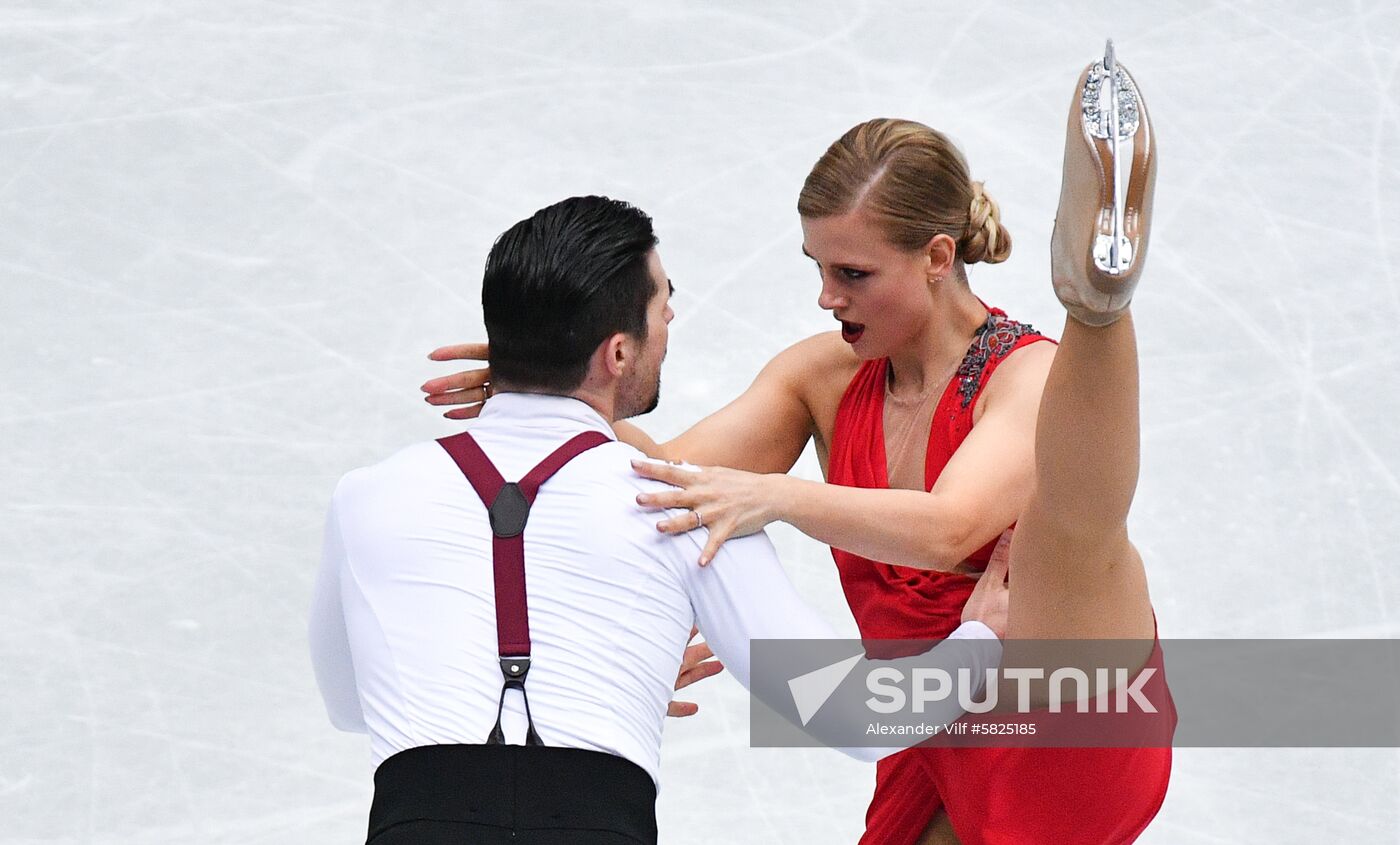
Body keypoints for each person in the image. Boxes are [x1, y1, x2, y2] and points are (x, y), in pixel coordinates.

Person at [421, 45, 1173, 845]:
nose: (827, 296)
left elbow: (951, 527)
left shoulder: (1020, 378)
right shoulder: (824, 375)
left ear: (938, 258)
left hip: (1061, 708)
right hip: (933, 721)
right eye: (817, 267)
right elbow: (661, 476)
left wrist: (779, 495)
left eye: (852, 273)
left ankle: (1097, 301)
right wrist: (545, 384)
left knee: (1069, 531)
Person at [309, 195, 1009, 845]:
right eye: (662, 302)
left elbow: (350, 702)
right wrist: (981, 639)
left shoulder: (365, 496)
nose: (670, 315)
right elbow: (857, 715)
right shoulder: (688, 504)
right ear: (616, 353)